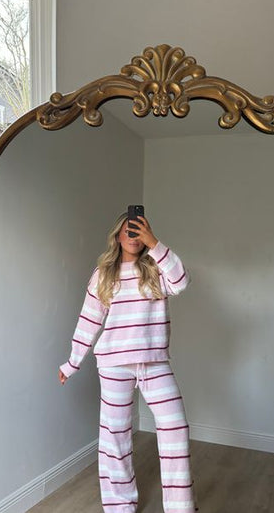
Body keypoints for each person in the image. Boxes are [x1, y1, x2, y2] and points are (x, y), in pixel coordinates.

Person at [59, 211, 197, 513]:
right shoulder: (103, 274)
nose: (133, 235)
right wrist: (72, 362)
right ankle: (120, 506)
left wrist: (155, 243)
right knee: (115, 436)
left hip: (154, 362)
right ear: (117, 236)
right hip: (114, 364)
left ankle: (180, 508)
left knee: (175, 428)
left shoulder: (156, 269)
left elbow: (182, 281)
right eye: (128, 230)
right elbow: (88, 320)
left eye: (139, 229)